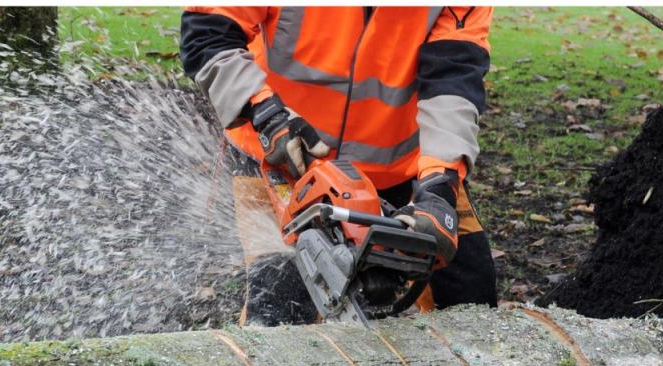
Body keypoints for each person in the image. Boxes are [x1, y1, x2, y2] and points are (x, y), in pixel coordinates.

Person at [180, 6, 497, 310]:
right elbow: (208, 33)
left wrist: (440, 184)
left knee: (470, 294)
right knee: (278, 307)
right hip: (280, 156)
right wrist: (264, 111)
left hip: (404, 166)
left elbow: (454, 81)